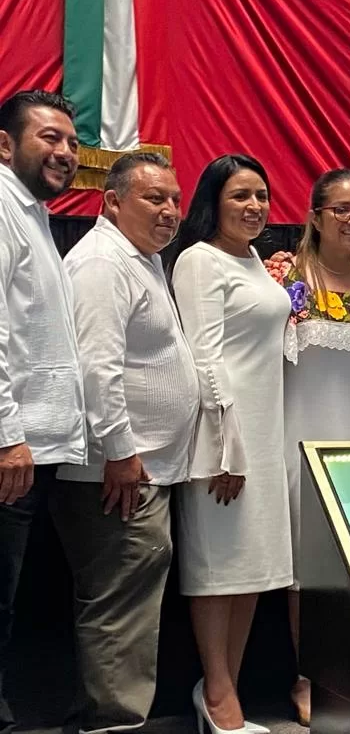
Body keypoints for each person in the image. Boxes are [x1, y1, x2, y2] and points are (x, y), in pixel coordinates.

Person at [54, 153, 200, 732]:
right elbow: (96, 368)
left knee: (132, 602)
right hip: (115, 469)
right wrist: (119, 450)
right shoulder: (102, 264)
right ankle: (114, 723)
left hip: (139, 465)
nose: (169, 211)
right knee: (119, 607)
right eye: (153, 199)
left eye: (174, 199)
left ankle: (118, 719)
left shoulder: (141, 259)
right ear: (111, 202)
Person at [168, 154, 292, 733]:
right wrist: (225, 447)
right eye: (241, 195)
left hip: (266, 434)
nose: (254, 206)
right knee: (218, 572)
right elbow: (205, 357)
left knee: (250, 571)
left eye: (262, 196)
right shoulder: (199, 260)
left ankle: (226, 688)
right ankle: (216, 694)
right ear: (213, 201)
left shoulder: (256, 263)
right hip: (224, 439)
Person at [264, 168, 350, 726]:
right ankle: (307, 677)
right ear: (314, 216)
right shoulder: (286, 277)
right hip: (301, 444)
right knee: (305, 576)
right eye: (341, 208)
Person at [0, 90, 87, 734]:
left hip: (36, 447)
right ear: (6, 145)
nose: (63, 152)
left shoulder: (29, 213)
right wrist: (7, 438)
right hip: (12, 449)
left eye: (71, 142)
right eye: (48, 138)